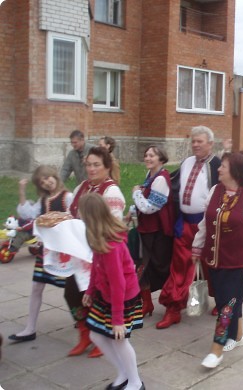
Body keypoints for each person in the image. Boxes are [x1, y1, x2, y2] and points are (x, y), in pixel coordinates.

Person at [192, 152, 243, 369]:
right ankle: (238, 335)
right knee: (229, 300)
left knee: (227, 304)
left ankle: (217, 348)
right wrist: (197, 247)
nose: (218, 169)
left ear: (235, 171)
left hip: (237, 262)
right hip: (215, 259)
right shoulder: (215, 191)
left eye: (223, 166)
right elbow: (205, 223)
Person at [157, 126, 220, 329]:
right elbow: (171, 184)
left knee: (212, 266)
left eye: (199, 141)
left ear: (210, 143)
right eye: (193, 141)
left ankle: (221, 299)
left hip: (207, 226)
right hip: (184, 225)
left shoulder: (217, 165)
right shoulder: (186, 163)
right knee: (180, 265)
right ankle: (173, 308)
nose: (195, 145)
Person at [79, 193, 144, 390]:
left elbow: (119, 284)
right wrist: (90, 290)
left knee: (119, 339)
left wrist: (117, 320)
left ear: (90, 217)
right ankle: (123, 373)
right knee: (96, 336)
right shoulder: (97, 237)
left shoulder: (112, 246)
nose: (78, 216)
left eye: (81, 213)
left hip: (122, 298)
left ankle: (135, 382)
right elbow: (96, 266)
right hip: (105, 294)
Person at [66, 146, 126, 358]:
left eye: (96, 165)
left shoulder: (111, 192)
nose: (91, 169)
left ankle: (100, 336)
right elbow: (69, 214)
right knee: (72, 294)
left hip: (99, 255)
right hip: (77, 254)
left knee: (99, 297)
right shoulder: (82, 187)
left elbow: (113, 227)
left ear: (107, 167)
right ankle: (85, 334)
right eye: (88, 165)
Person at [8, 166, 73, 342]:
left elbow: (74, 219)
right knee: (37, 286)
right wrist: (22, 190)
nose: (46, 182)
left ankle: (84, 323)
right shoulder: (43, 200)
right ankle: (30, 328)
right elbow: (26, 213)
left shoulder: (67, 197)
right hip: (46, 251)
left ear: (54, 175)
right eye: (42, 181)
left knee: (73, 289)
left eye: (47, 177)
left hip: (65, 252)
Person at [131, 146, 174, 318]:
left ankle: (172, 303)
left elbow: (150, 207)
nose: (147, 158)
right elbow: (144, 203)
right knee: (142, 266)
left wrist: (135, 194)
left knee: (160, 267)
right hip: (147, 229)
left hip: (159, 232)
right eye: (146, 155)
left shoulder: (161, 179)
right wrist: (132, 211)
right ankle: (146, 303)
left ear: (161, 159)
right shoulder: (150, 176)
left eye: (152, 155)